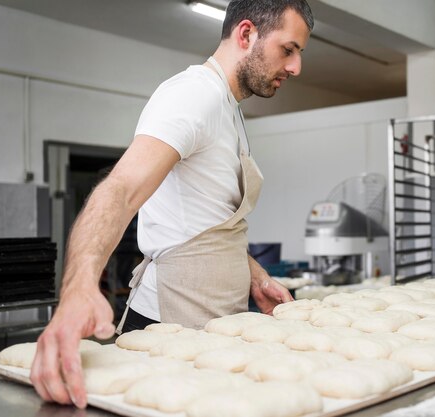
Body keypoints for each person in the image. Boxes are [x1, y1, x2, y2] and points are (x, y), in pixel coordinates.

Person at [30, 0, 314, 408]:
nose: (295, 68)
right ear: (246, 34)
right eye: (288, 50)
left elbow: (207, 219)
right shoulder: (192, 95)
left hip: (216, 326)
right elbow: (121, 189)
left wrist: (252, 273)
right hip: (168, 326)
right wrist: (78, 288)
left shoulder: (227, 107)